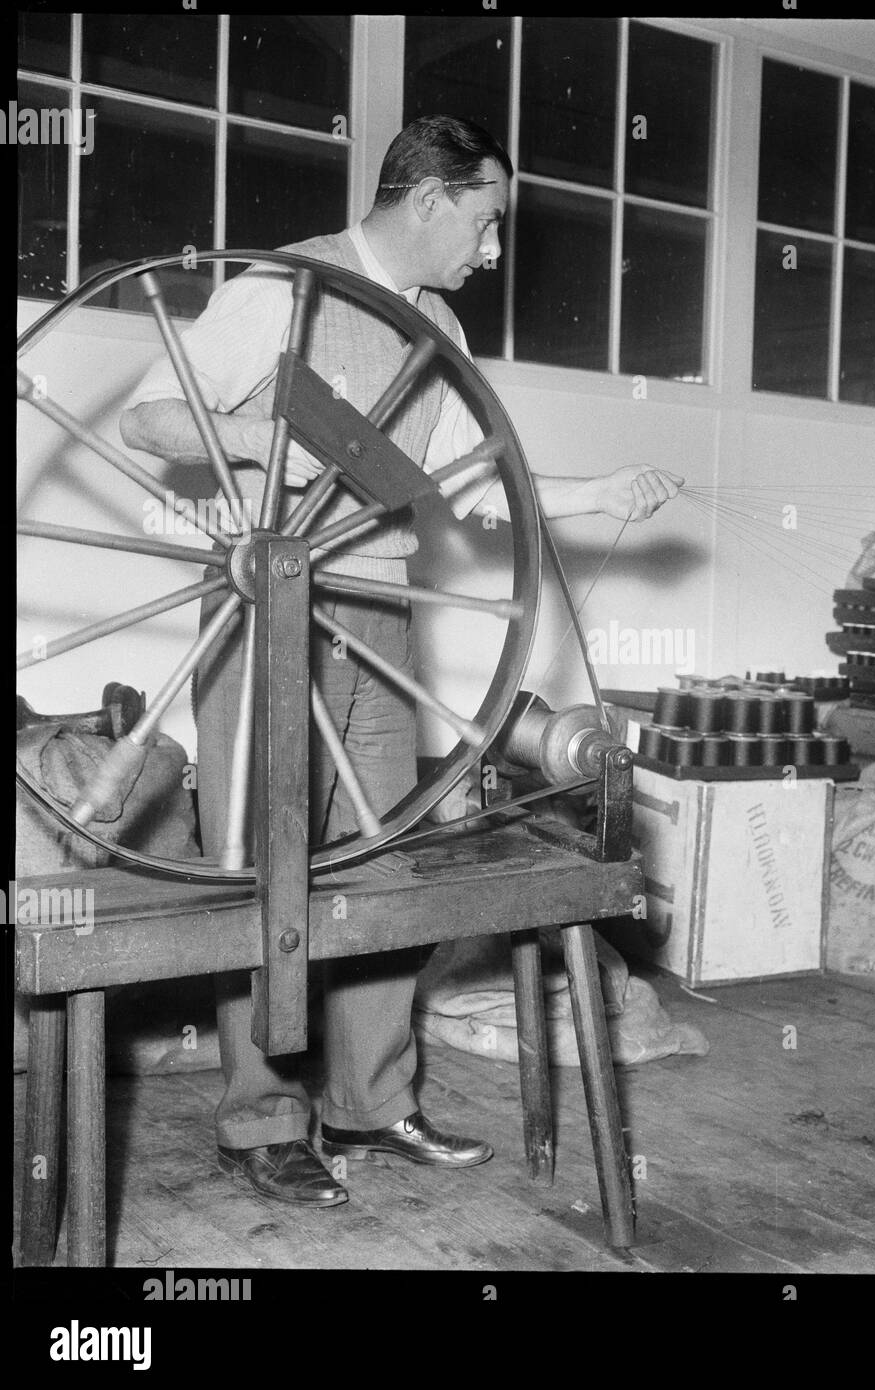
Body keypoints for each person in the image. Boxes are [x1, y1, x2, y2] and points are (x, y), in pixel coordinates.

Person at [119, 115, 682, 1207]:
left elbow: (463, 483)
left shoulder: (438, 326)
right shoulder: (286, 289)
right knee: (263, 861)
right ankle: (263, 1119)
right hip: (268, 612)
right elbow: (150, 418)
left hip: (381, 615)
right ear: (429, 199)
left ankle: (370, 1103)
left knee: (378, 862)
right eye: (486, 221)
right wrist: (272, 433)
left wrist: (595, 493)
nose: (492, 249)